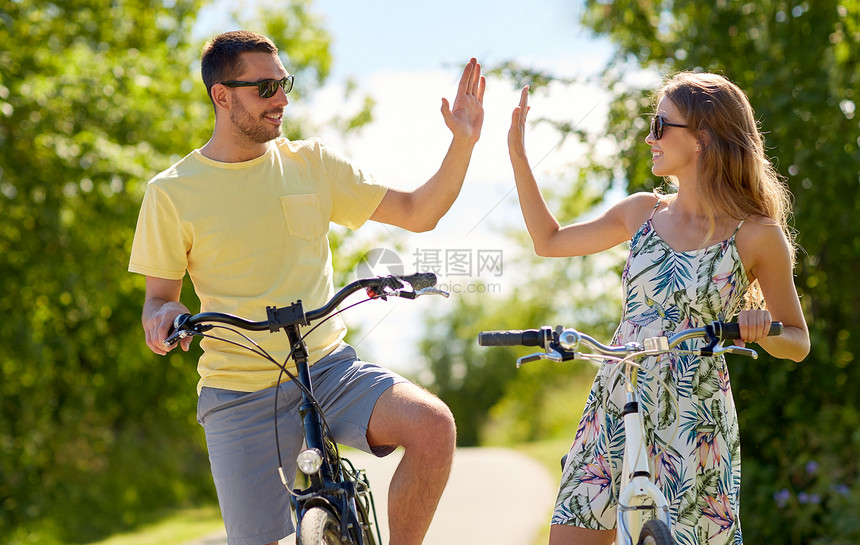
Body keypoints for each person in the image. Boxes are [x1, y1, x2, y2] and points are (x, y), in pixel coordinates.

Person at [129, 30, 485, 545]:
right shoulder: (171, 193)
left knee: (432, 427)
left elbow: (418, 212)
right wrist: (162, 318)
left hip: (328, 367)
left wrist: (463, 142)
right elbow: (158, 299)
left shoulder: (311, 164)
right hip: (238, 388)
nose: (282, 100)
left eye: (284, 84)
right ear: (221, 95)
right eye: (265, 89)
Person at [507, 73, 810, 544]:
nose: (650, 137)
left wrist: (764, 328)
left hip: (693, 418)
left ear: (702, 139)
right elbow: (548, 242)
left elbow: (798, 342)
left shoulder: (756, 235)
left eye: (660, 125)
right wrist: (520, 159)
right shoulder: (642, 212)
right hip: (616, 396)